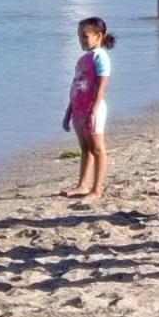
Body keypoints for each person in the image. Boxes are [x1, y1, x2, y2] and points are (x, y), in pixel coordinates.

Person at [61, 17, 115, 199]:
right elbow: (76, 84)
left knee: (97, 148)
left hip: (93, 109)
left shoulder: (100, 56)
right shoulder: (83, 58)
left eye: (85, 37)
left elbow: (102, 84)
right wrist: (69, 111)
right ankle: (82, 185)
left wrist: (94, 108)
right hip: (78, 108)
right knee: (85, 148)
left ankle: (97, 189)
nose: (81, 41)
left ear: (99, 36)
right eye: (79, 37)